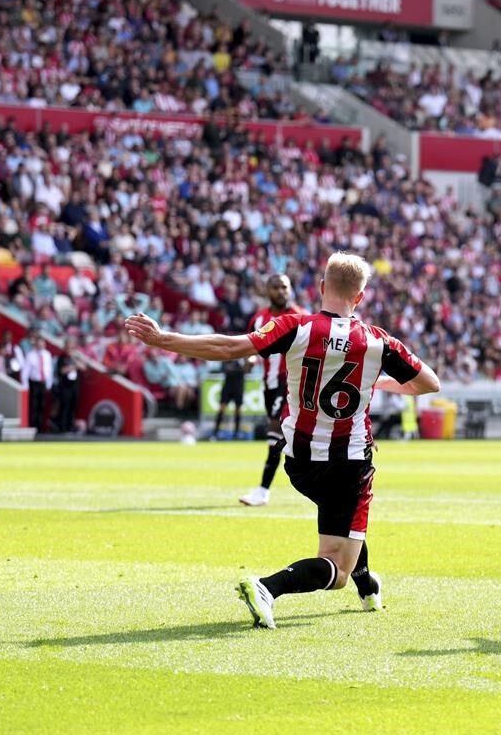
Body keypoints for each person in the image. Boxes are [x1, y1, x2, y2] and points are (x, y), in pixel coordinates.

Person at [125, 252, 440, 629]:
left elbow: (228, 348)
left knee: (343, 523)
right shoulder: (377, 341)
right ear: (360, 297)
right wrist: (379, 380)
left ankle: (367, 584)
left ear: (322, 288)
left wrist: (164, 339)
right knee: (336, 567)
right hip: (349, 462)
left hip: (300, 461)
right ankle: (268, 588)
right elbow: (429, 383)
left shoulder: (296, 326)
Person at [239, 274, 306, 507]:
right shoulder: (259, 319)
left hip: (290, 382)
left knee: (275, 434)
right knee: (288, 437)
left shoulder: (300, 316)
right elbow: (253, 346)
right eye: (276, 287)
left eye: (284, 287)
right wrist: (250, 359)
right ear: (267, 290)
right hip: (270, 384)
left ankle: (262, 490)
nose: (281, 291)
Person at [19, 329, 54, 433]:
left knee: (42, 405)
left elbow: (49, 370)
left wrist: (49, 382)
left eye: (42, 343)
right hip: (34, 383)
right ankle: (32, 425)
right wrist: (25, 384)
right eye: (39, 343)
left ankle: (40, 426)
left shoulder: (47, 354)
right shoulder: (31, 355)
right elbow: (26, 370)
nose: (41, 345)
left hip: (43, 382)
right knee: (33, 405)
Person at [54, 338, 83, 433]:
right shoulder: (61, 358)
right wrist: (72, 366)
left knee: (73, 407)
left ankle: (70, 427)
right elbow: (61, 371)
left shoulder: (76, 357)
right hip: (65, 386)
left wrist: (74, 359)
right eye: (68, 346)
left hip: (74, 386)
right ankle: (62, 428)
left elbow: (83, 367)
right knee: (64, 407)